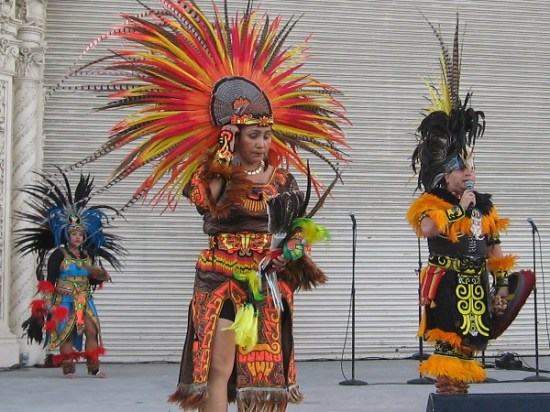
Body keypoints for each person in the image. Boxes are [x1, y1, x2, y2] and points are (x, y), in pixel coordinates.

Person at [56, 1, 348, 409]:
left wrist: (294, 248)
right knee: (219, 366)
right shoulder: (212, 175)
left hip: (265, 281)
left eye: (266, 134)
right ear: (234, 137)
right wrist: (223, 156)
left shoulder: (283, 179)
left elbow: (298, 224)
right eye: (253, 135)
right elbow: (209, 203)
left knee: (264, 372)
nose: (263, 142)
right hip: (218, 277)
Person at [406, 15, 532, 394]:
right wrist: (459, 208)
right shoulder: (431, 202)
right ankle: (449, 399)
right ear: (446, 175)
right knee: (449, 357)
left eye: (471, 167)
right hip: (445, 287)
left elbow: (493, 248)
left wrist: (503, 286)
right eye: (462, 168)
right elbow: (429, 230)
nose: (469, 173)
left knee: (470, 357)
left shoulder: (485, 205)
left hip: (476, 286)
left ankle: (461, 401)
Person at [18, 172, 125, 378]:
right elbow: (49, 281)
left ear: (84, 237)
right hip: (64, 299)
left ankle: (94, 368)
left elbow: (91, 279)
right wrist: (47, 303)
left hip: (84, 299)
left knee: (92, 331)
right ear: (68, 236)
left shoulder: (87, 255)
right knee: (65, 333)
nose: (78, 237)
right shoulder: (58, 254)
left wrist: (100, 276)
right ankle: (68, 367)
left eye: (80, 234)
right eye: (74, 234)